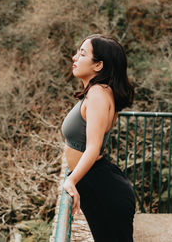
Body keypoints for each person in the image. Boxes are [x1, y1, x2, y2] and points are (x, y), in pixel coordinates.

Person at [61, 34, 135, 242]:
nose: (75, 57)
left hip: (101, 187)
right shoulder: (97, 92)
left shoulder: (98, 93)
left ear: (98, 65)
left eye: (82, 53)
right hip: (97, 183)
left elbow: (93, 147)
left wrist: (71, 180)